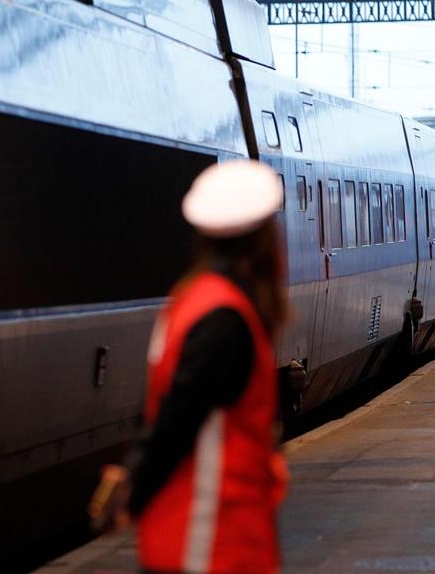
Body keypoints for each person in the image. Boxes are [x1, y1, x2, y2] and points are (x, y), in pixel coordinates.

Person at [89, 160, 289, 574]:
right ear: (264, 237)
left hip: (186, 531)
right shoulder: (225, 318)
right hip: (213, 538)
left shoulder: (191, 299)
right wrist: (136, 489)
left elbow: (164, 409)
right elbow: (176, 419)